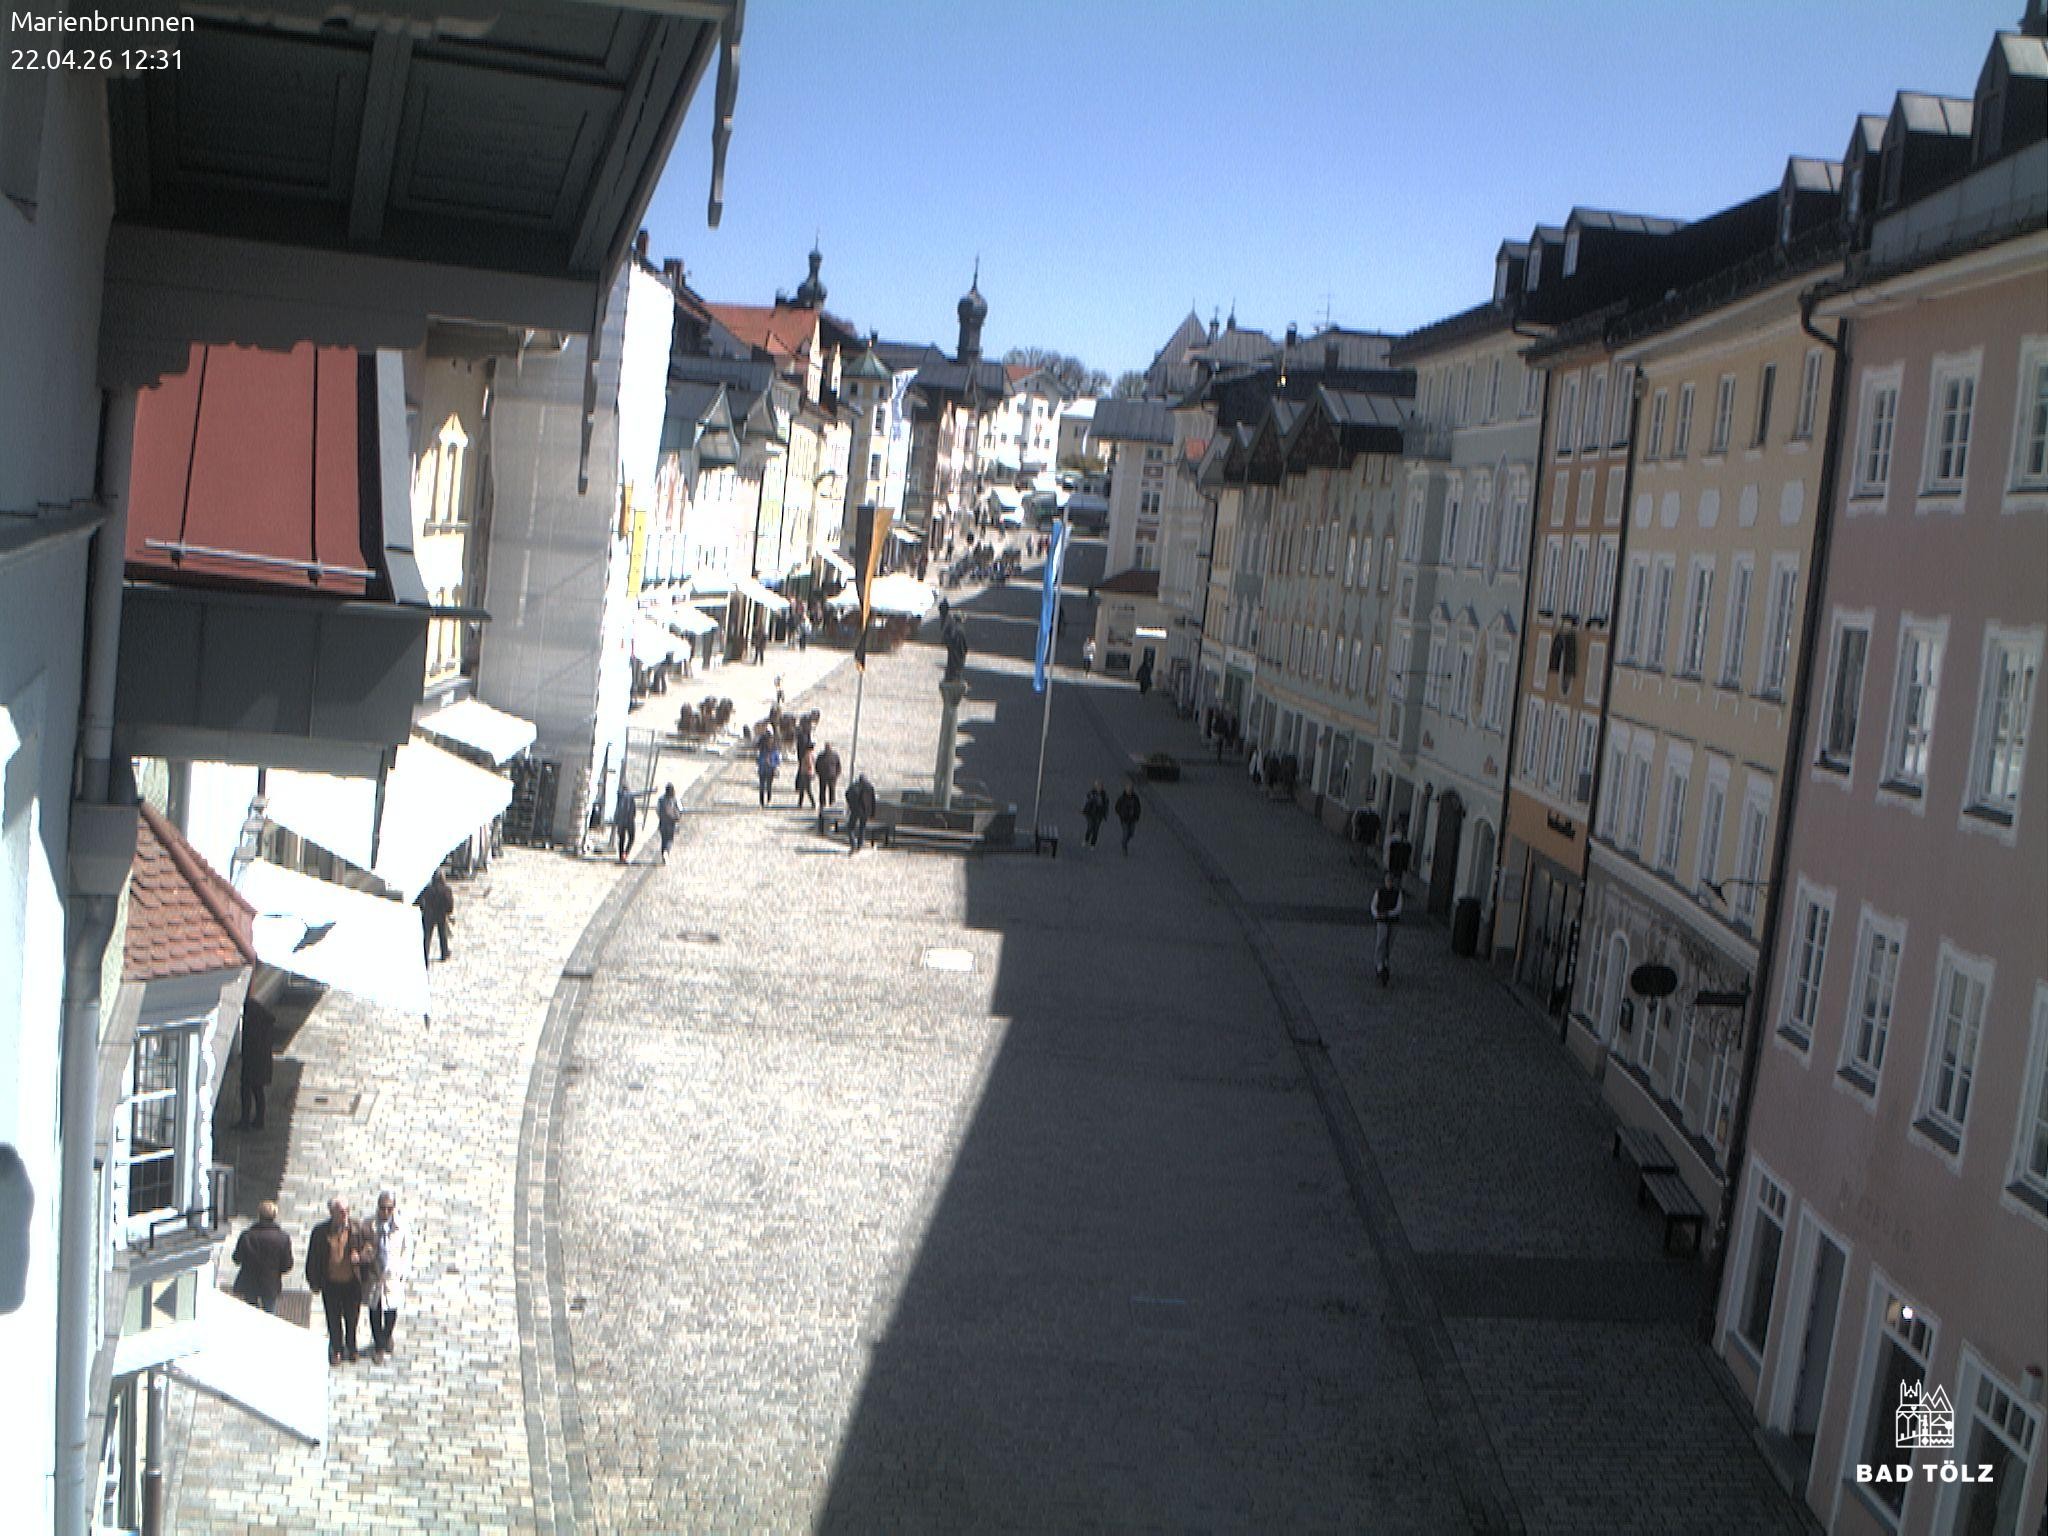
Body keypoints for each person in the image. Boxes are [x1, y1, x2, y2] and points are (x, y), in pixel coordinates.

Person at [306, 1198, 366, 1364]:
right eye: (340, 1212)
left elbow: (370, 1249)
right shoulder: (320, 1232)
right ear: (331, 1213)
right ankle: (336, 1349)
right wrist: (314, 1282)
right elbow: (313, 1258)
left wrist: (360, 1257)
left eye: (347, 1210)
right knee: (333, 1318)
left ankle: (351, 1346)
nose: (344, 1214)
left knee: (352, 1317)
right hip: (331, 1283)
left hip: (351, 1283)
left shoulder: (357, 1229)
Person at [364, 1190, 409, 1360]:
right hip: (375, 1275)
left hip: (392, 1275)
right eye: (383, 1208)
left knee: (391, 1309)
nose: (385, 1212)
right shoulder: (370, 1225)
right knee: (375, 1309)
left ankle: (386, 1336)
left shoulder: (401, 1227)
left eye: (389, 1209)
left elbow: (406, 1250)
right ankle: (379, 1345)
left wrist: (402, 1271)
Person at [230, 1200, 292, 1313]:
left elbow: (236, 1258)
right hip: (271, 1283)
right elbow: (287, 1265)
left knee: (250, 1313)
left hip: (249, 1282)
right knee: (269, 1314)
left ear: (259, 1215)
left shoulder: (247, 1235)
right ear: (275, 1216)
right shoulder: (283, 1238)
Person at [233, 995, 275, 1130]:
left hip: (254, 1059)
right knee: (257, 1089)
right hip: (259, 1058)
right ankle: (258, 1120)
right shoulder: (257, 1013)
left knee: (248, 1087)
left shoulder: (252, 1014)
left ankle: (247, 1120)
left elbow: (250, 1038)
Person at [1371, 869, 1404, 987]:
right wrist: (1377, 915)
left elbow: (1398, 908)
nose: (1389, 883)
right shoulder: (1379, 892)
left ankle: (1385, 961)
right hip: (1382, 921)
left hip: (1392, 921)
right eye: (1388, 881)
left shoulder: (1397, 893)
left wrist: (1388, 914)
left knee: (1389, 943)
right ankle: (1379, 963)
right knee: (1381, 941)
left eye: (1391, 881)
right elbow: (1373, 906)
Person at [415, 868, 454, 963]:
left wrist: (422, 908)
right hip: (441, 914)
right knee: (442, 935)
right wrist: (448, 913)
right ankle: (444, 953)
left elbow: (418, 900)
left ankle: (424, 955)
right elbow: (449, 904)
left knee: (427, 937)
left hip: (429, 914)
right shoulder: (446, 890)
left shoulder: (427, 888)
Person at [845, 773, 877, 853]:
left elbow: (847, 794)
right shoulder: (870, 787)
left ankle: (853, 845)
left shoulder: (854, 786)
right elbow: (873, 801)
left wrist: (851, 805)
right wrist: (872, 813)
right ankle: (859, 846)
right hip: (866, 811)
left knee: (850, 827)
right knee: (862, 828)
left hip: (855, 810)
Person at [814, 742, 842, 832]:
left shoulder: (835, 755)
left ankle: (831, 804)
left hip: (832, 777)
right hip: (823, 776)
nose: (827, 749)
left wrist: (836, 774)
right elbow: (817, 766)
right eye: (826, 747)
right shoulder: (821, 756)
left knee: (832, 791)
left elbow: (838, 766)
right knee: (822, 791)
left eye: (828, 747)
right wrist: (819, 774)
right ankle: (822, 805)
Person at [1114, 779, 1143, 856]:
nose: (1129, 791)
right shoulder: (1122, 798)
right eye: (1128, 789)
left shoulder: (1135, 798)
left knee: (1131, 833)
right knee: (1126, 832)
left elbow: (1138, 807)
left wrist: (1137, 816)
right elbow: (1117, 807)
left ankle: (1124, 841)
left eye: (1130, 790)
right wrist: (1121, 814)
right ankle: (1124, 847)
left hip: (1133, 819)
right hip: (1125, 819)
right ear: (1125, 790)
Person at [655, 784, 682, 863]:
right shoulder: (675, 799)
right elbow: (680, 809)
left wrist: (661, 817)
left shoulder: (661, 799)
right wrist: (677, 817)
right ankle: (666, 851)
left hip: (663, 822)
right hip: (671, 822)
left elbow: (657, 810)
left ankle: (664, 855)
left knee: (663, 839)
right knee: (670, 839)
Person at [613, 780, 637, 863]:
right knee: (631, 838)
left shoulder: (619, 796)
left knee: (621, 840)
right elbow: (634, 809)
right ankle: (625, 854)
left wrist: (616, 821)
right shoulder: (630, 796)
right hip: (629, 821)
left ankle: (621, 857)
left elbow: (617, 810)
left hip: (620, 822)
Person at [755, 732, 782, 808]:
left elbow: (778, 761)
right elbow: (758, 760)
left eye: (771, 741)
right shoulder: (762, 751)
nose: (770, 743)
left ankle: (769, 800)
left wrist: (771, 763)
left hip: (770, 771)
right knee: (762, 786)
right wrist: (763, 761)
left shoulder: (775, 751)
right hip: (762, 770)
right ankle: (761, 802)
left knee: (769, 786)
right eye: (768, 741)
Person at [1081, 782, 1109, 848]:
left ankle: (1093, 844)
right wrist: (1083, 810)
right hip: (1090, 814)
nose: (1099, 788)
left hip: (1099, 815)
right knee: (1090, 827)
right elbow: (1085, 802)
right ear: (1095, 787)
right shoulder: (1091, 793)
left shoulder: (1104, 795)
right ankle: (1086, 840)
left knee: (1096, 830)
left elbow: (1106, 806)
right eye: (1098, 786)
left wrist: (1105, 814)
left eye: (1101, 786)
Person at [794, 741, 816, 808]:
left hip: (805, 774)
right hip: (807, 773)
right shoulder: (811, 754)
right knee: (803, 789)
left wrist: (808, 770)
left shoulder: (808, 755)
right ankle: (800, 803)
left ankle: (812, 803)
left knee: (807, 789)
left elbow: (809, 764)